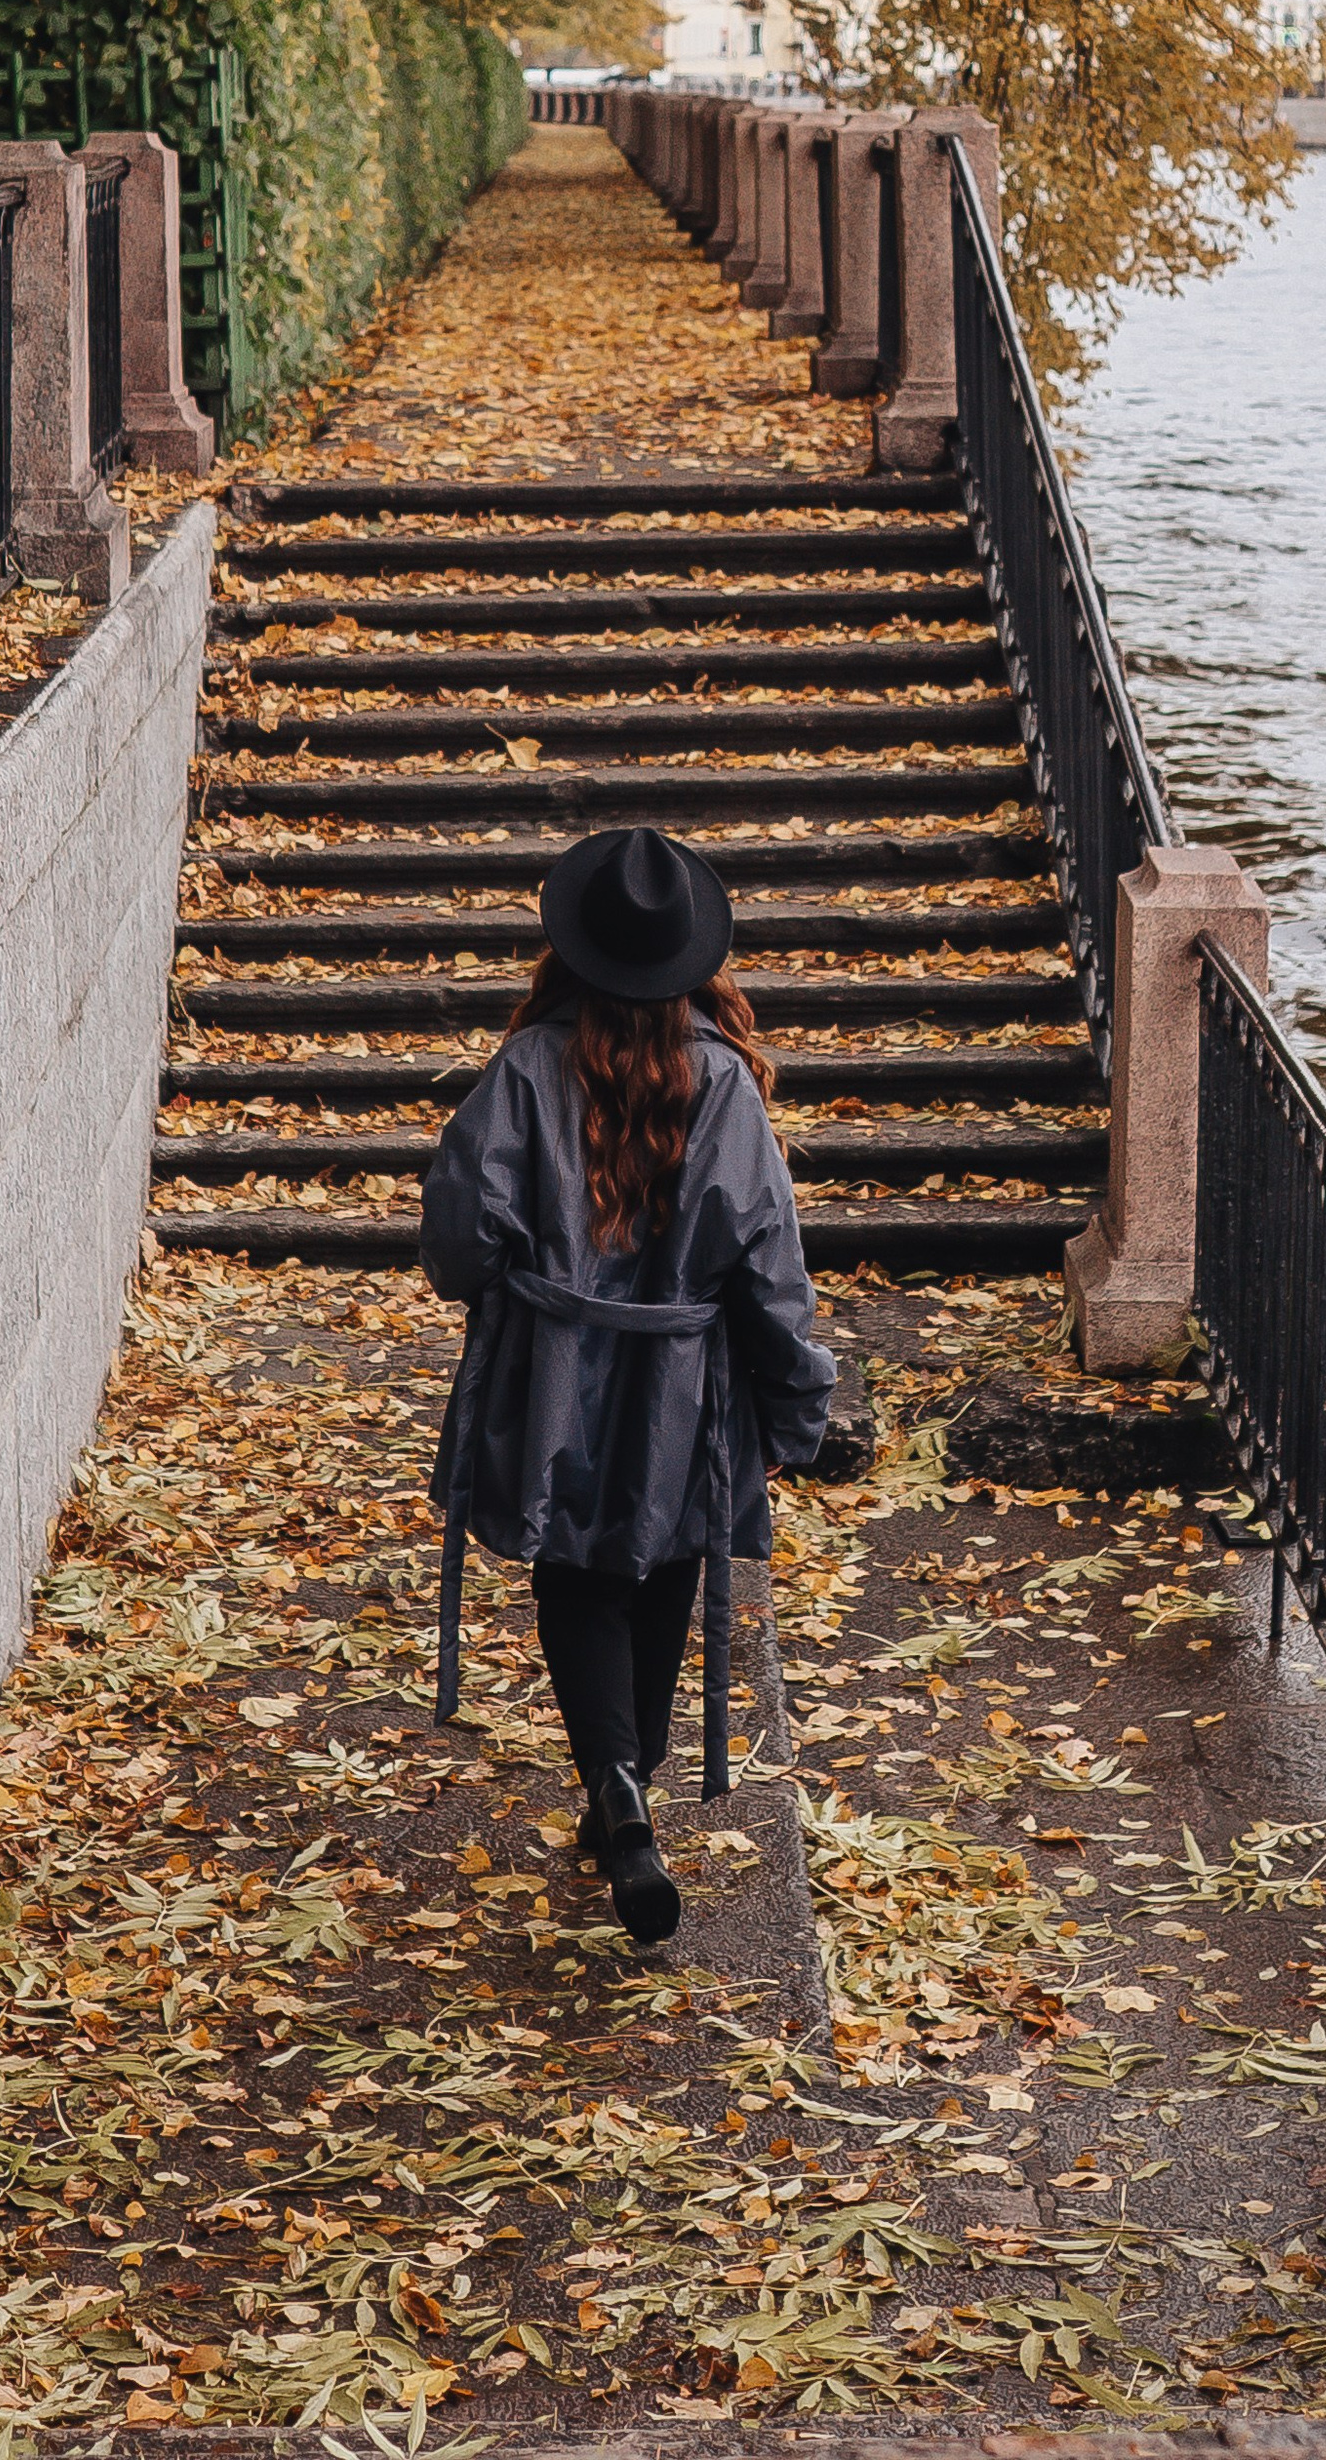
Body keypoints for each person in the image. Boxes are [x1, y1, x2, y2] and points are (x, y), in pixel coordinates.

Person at [423, 824, 835, 1947]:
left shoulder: (520, 1073)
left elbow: (460, 1237)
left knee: (577, 1571)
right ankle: (630, 1789)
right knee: (665, 1568)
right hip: (688, 1386)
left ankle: (614, 1782)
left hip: (551, 1374)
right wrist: (798, 1402)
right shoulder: (724, 1085)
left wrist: (523, 1289)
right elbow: (768, 1262)